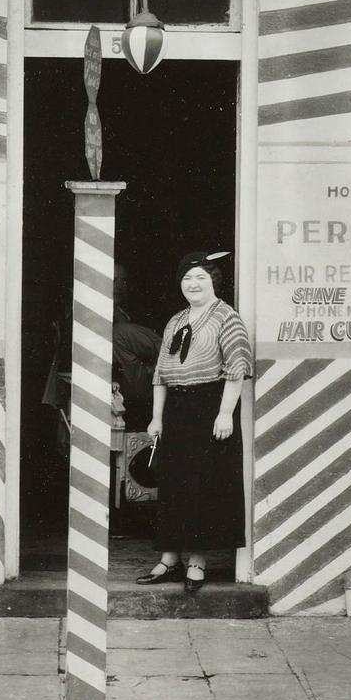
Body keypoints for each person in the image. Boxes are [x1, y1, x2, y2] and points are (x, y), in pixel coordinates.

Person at [135, 249, 251, 594]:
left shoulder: (227, 317)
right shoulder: (176, 320)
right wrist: (156, 417)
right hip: (177, 410)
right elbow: (160, 373)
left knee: (202, 484)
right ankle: (169, 559)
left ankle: (197, 561)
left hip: (211, 407)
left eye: (200, 277)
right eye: (187, 278)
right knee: (173, 483)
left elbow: (237, 367)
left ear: (213, 280)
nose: (193, 284)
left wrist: (225, 413)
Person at [111, 261, 162, 431]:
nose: (119, 286)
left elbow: (163, 351)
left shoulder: (127, 313)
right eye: (113, 280)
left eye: (123, 281)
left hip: (135, 397)